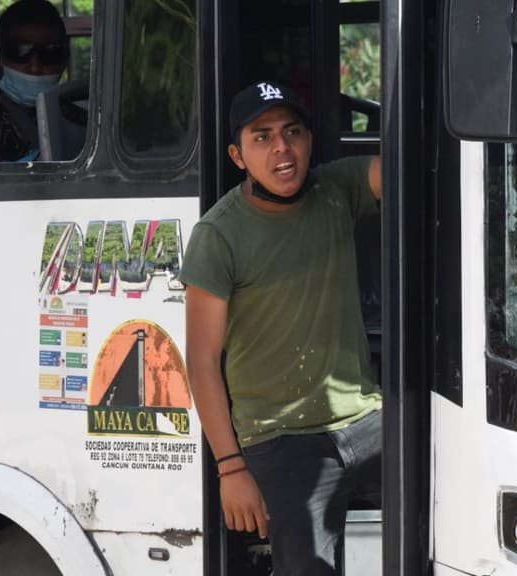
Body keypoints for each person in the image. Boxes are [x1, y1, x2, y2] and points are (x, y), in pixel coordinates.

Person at [180, 80, 382, 575]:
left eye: (292, 132)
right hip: (280, 439)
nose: (281, 148)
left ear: (309, 140)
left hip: (368, 421)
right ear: (238, 155)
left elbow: (411, 168)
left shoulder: (337, 189)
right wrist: (231, 469)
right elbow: (202, 361)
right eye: (262, 137)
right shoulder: (218, 235)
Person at [0, 0, 68, 162]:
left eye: (50, 53)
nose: (35, 67)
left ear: (65, 58)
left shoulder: (83, 119)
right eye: (19, 51)